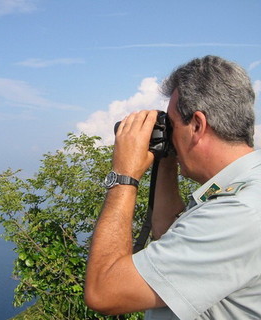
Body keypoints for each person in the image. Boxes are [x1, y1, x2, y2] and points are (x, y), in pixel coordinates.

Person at [84, 55, 261, 319]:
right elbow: (167, 234)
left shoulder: (239, 211)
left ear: (198, 125)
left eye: (173, 125)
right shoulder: (240, 187)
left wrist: (123, 176)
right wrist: (167, 156)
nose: (170, 133)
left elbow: (104, 291)